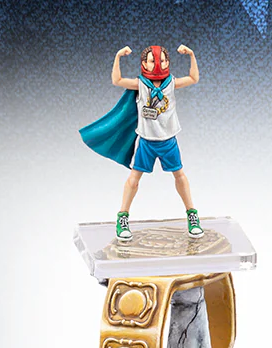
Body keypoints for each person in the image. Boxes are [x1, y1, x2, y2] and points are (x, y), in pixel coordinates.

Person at [78, 44, 203, 241]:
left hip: (168, 141)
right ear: (144, 63)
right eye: (153, 61)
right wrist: (118, 56)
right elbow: (117, 80)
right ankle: (122, 217)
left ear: (168, 62)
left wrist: (192, 55)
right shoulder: (141, 84)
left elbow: (194, 78)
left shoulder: (171, 83)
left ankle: (192, 215)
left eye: (162, 60)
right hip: (146, 142)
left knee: (180, 176)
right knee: (133, 180)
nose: (158, 64)